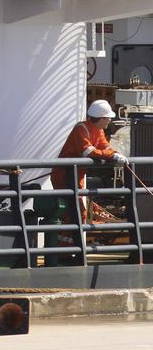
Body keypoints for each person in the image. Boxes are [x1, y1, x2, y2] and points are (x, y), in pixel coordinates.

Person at [42, 100, 127, 264]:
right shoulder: (81, 129)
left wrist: (114, 154)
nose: (109, 120)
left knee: (78, 213)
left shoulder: (98, 130)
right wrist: (109, 155)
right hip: (64, 175)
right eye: (107, 118)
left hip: (76, 175)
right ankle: (63, 253)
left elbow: (104, 148)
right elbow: (87, 151)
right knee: (70, 212)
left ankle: (71, 251)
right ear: (101, 118)